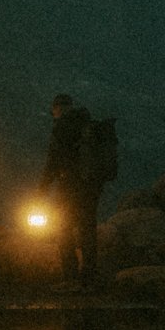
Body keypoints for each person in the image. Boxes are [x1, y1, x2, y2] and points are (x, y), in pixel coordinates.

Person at [38, 93, 106, 288]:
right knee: (87, 229)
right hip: (92, 186)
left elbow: (53, 161)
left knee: (63, 229)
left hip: (68, 187)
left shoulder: (62, 127)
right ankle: (89, 277)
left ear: (57, 108)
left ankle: (70, 278)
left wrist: (41, 189)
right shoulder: (88, 125)